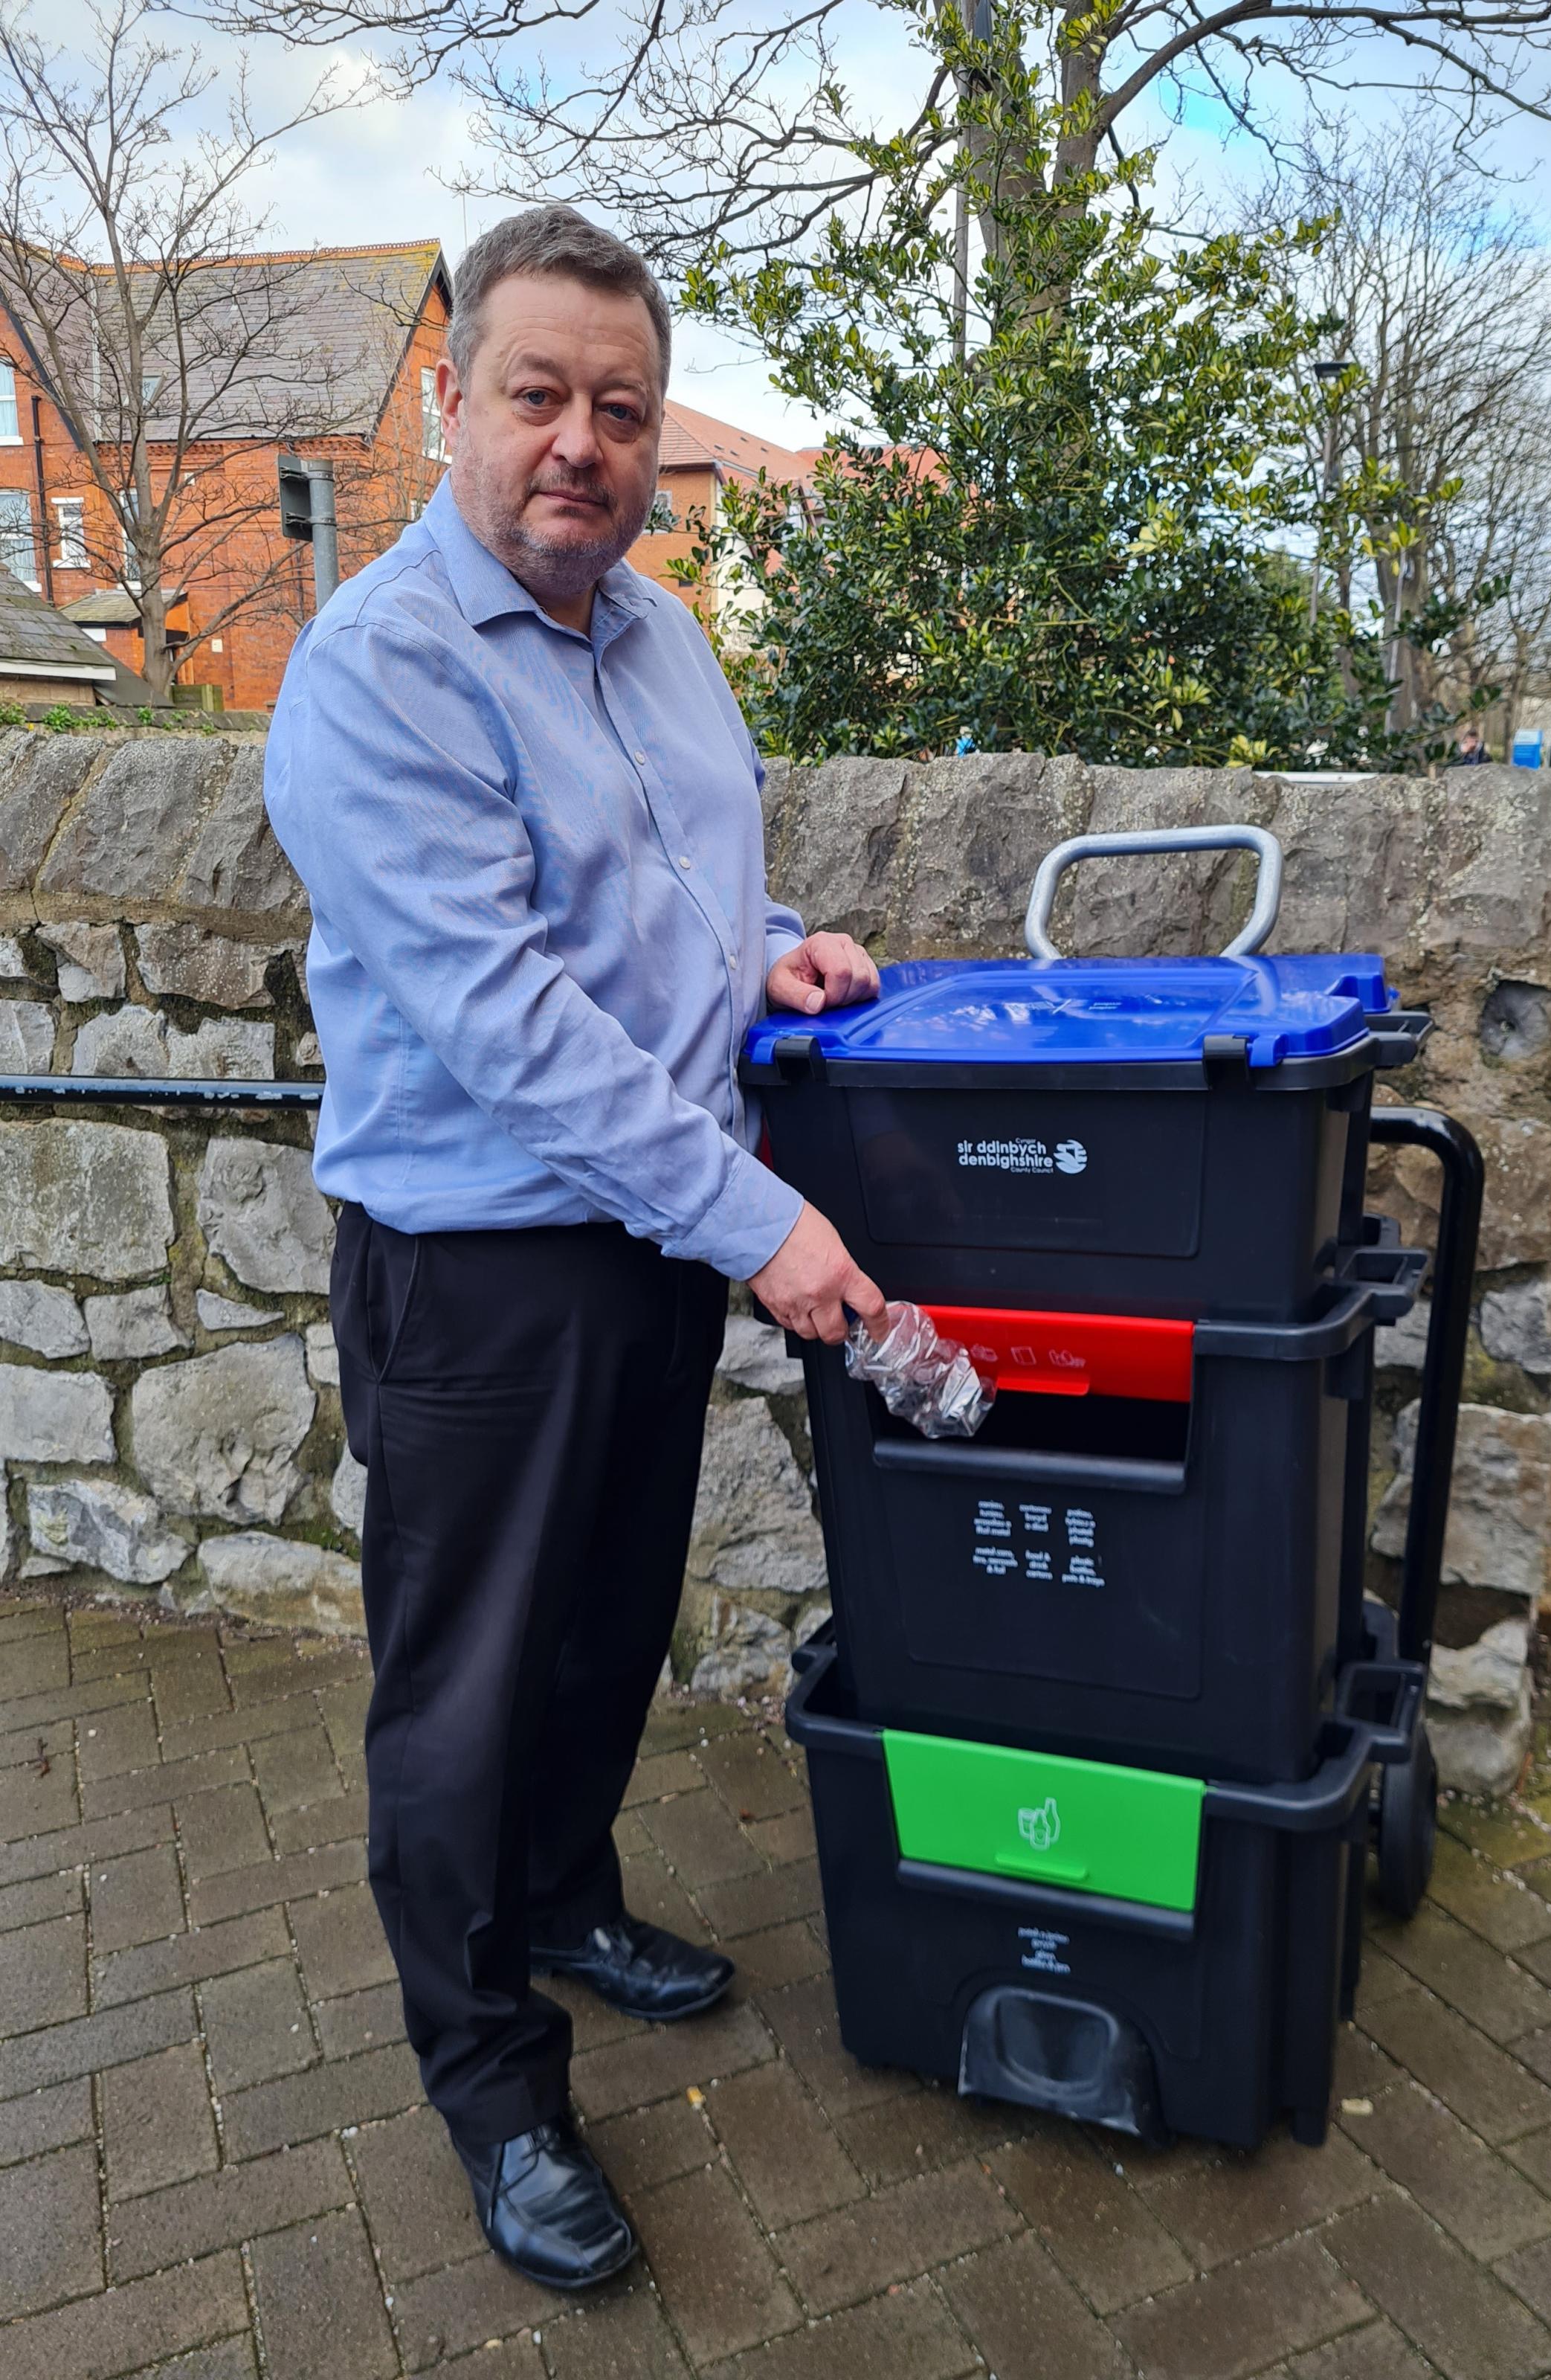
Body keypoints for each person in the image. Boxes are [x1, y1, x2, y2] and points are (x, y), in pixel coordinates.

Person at [263, 206, 888, 2294]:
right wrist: (772, 1223)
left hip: (645, 1241)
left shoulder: (658, 634)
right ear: (452, 403)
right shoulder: (377, 678)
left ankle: (563, 1894)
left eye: (620, 409)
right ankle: (494, 2082)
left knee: (611, 1621)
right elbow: (515, 1025)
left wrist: (768, 945)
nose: (582, 444)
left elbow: (677, 872)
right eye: (537, 395)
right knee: (462, 1696)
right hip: (481, 1269)